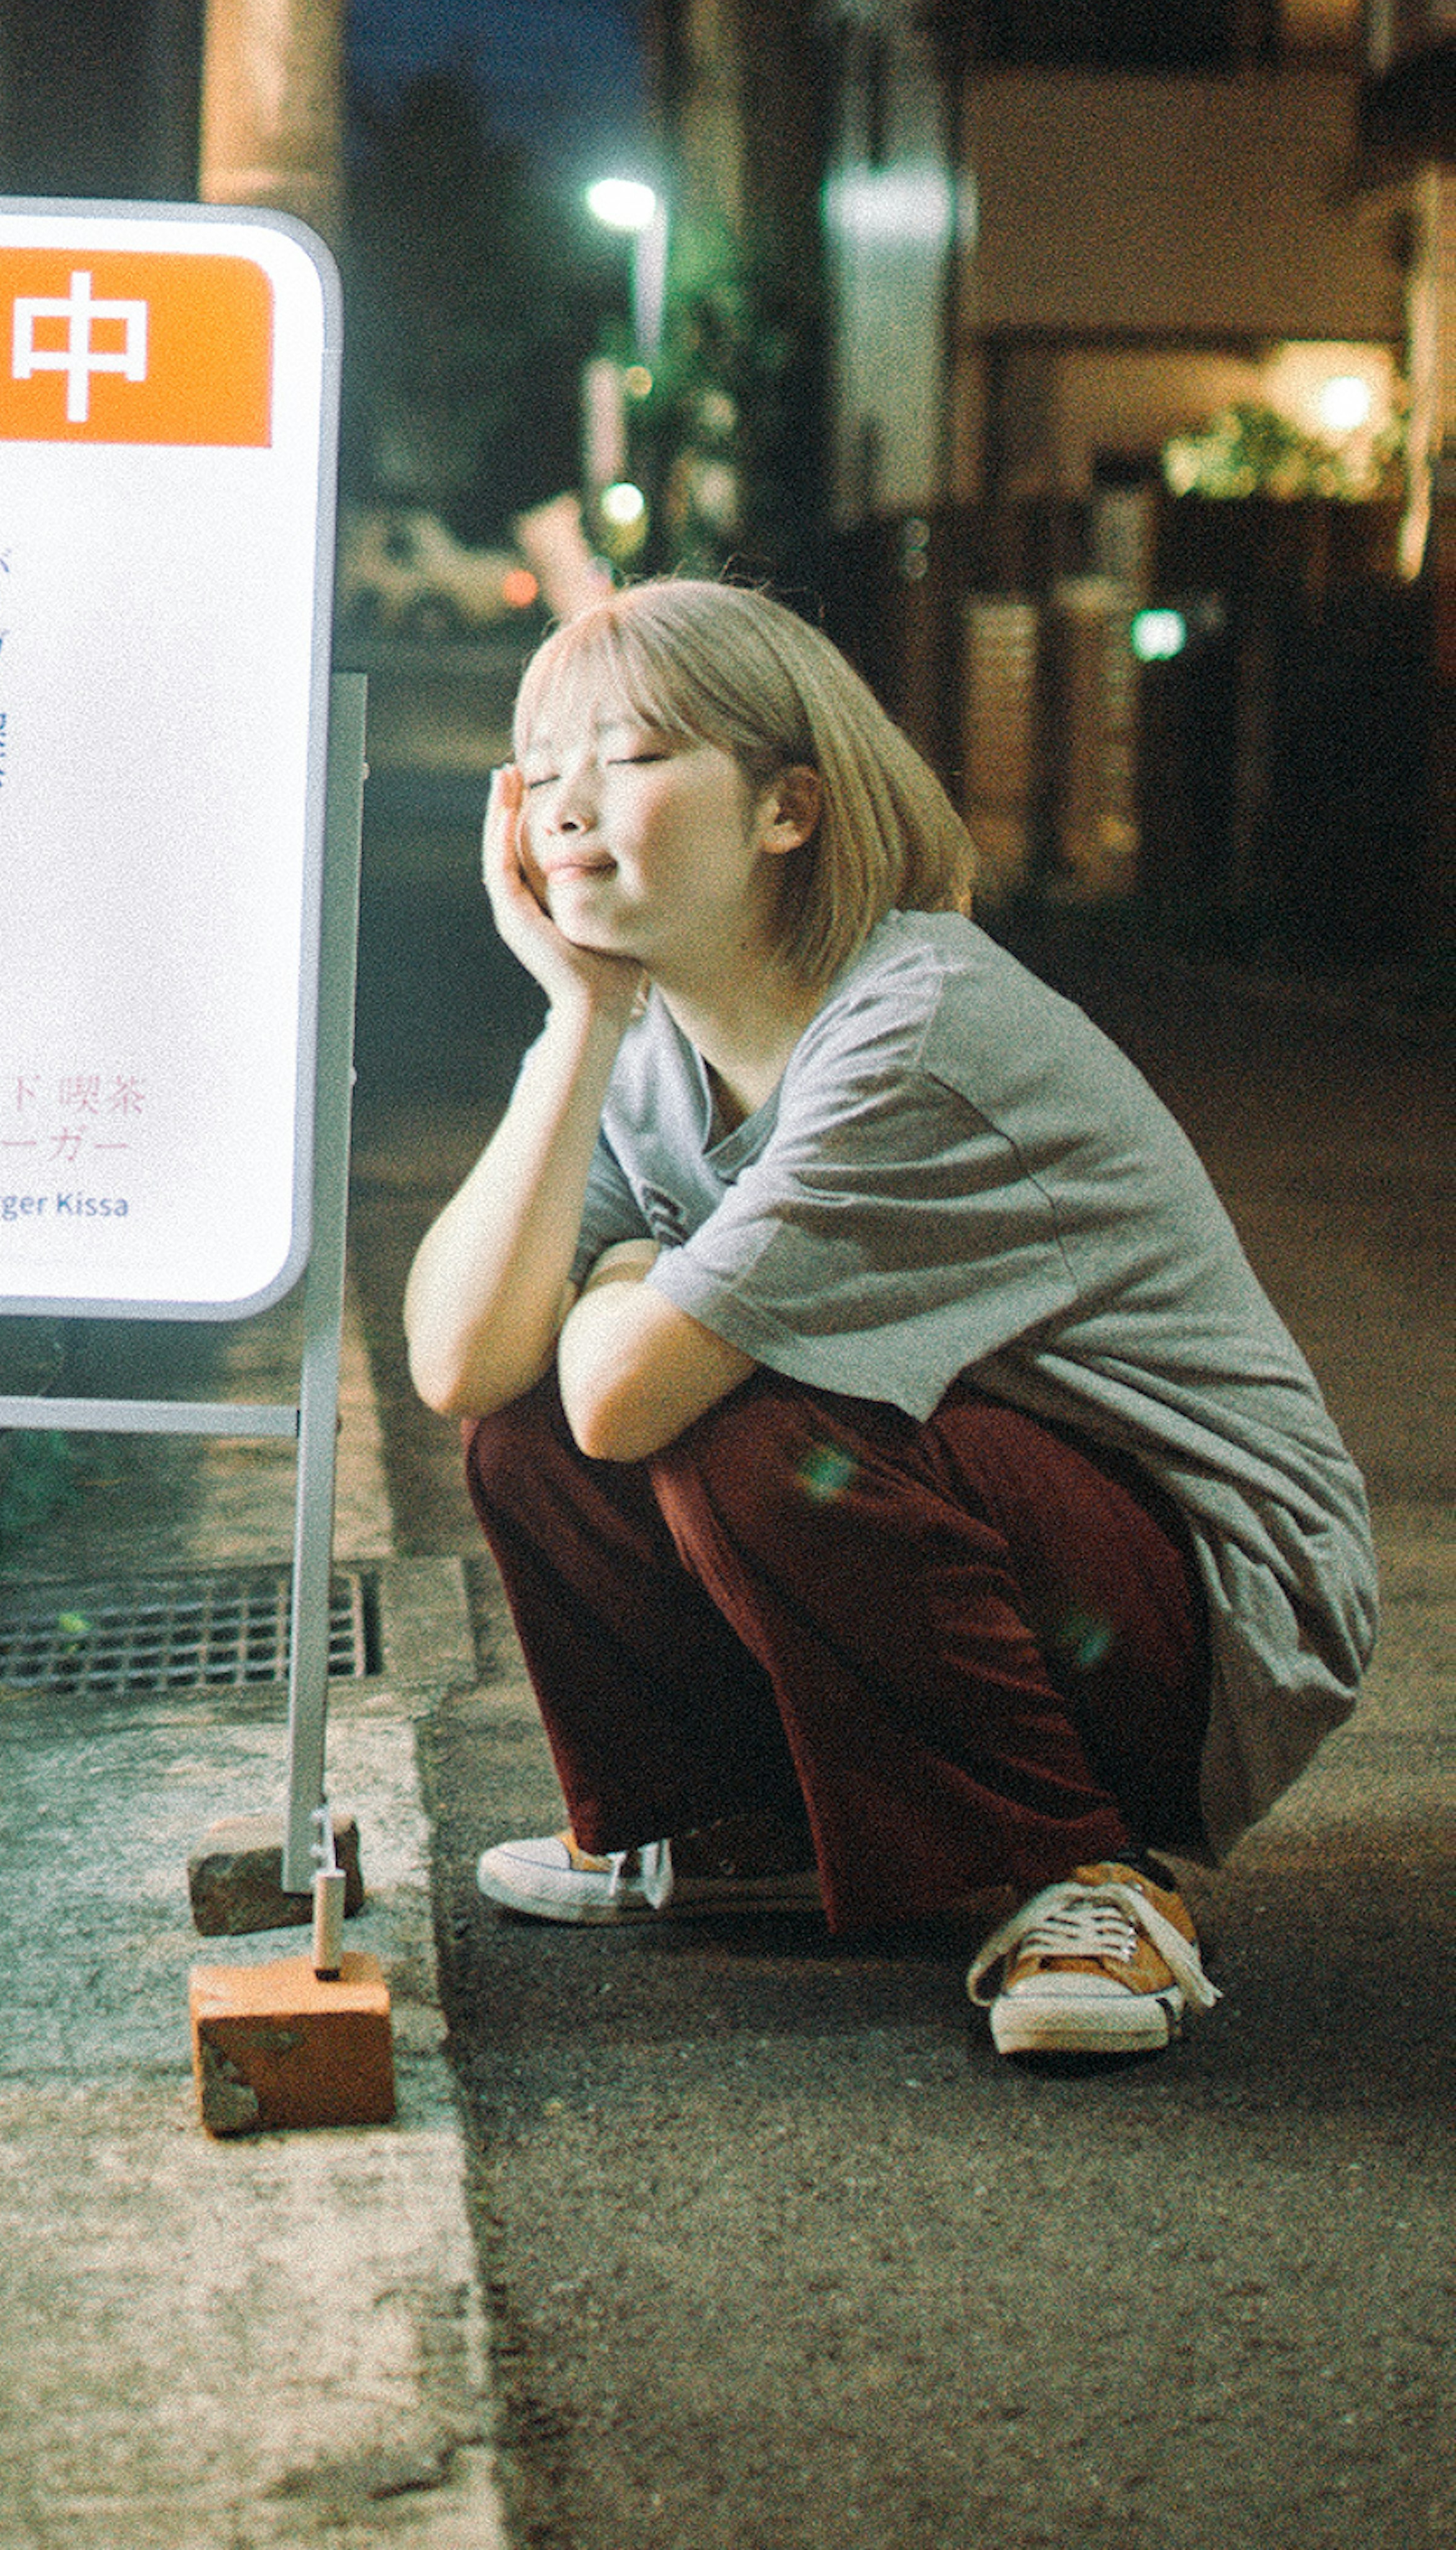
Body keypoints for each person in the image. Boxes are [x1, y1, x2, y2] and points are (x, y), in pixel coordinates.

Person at [404, 575, 1376, 2060]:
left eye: (638, 757)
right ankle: (755, 1823)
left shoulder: (913, 1025)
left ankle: (1101, 1874)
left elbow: (627, 1394)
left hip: (1208, 1605)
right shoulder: (654, 1035)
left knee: (758, 1433)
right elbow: (467, 1364)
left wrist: (614, 1282)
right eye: (543, 775)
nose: (571, 807)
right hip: (1015, 1532)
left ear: (790, 805)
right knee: (527, 1424)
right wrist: (577, 1019)